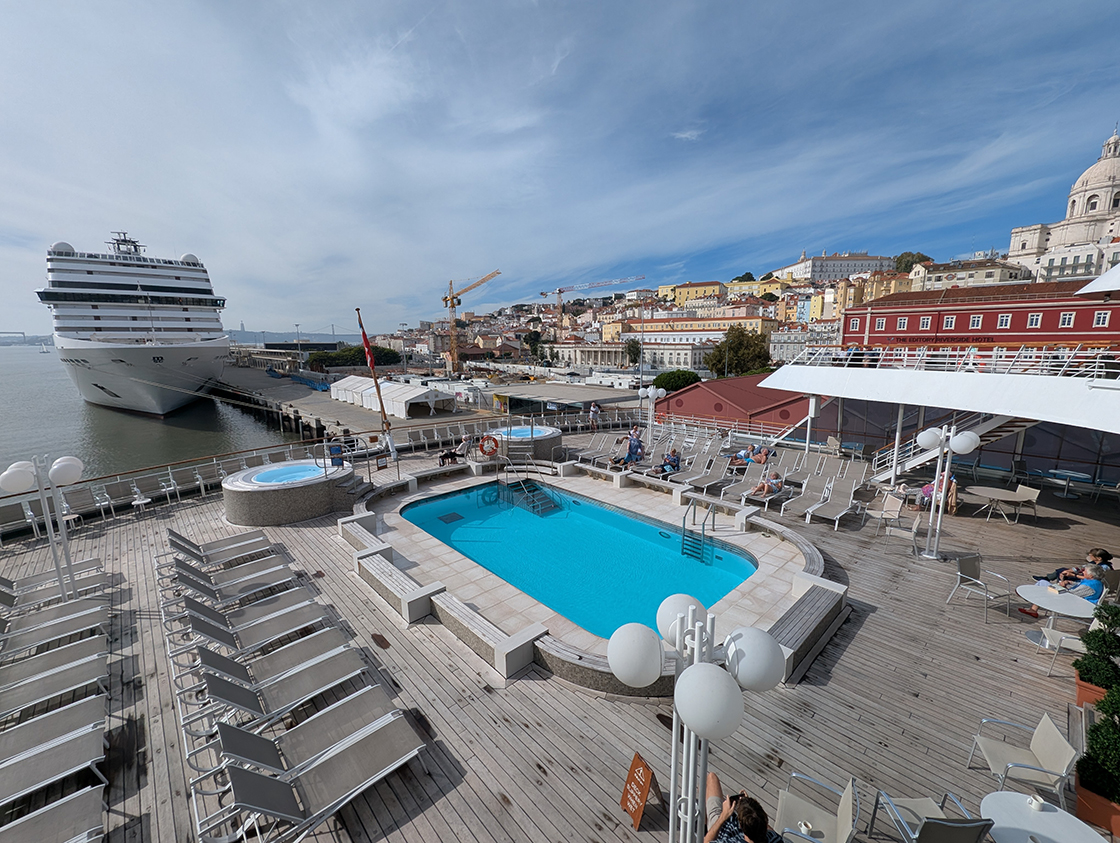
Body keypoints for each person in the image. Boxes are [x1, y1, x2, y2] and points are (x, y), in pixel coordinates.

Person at [704, 773, 779, 843]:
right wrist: (748, 807)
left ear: (740, 826)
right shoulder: (775, 838)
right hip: (739, 826)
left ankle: (704, 824)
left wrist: (723, 817)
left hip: (721, 830)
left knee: (712, 778)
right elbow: (764, 827)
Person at [1020, 563, 1106, 618]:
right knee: (1043, 583)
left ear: (1091, 576)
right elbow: (1078, 585)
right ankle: (1033, 609)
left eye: (1085, 572)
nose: (1083, 573)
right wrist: (1068, 582)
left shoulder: (1089, 586)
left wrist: (1062, 586)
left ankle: (1030, 599)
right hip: (1075, 599)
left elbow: (1071, 594)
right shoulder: (1095, 581)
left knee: (1044, 585)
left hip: (1076, 604)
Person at [1033, 548, 1114, 583]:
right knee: (1063, 570)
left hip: (1087, 581)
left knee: (1064, 574)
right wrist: (1069, 571)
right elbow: (1081, 568)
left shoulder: (1103, 567)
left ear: (1099, 558)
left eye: (1091, 556)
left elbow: (1093, 579)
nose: (1090, 557)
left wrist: (1074, 575)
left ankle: (1059, 585)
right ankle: (1048, 578)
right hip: (1083, 576)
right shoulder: (1094, 562)